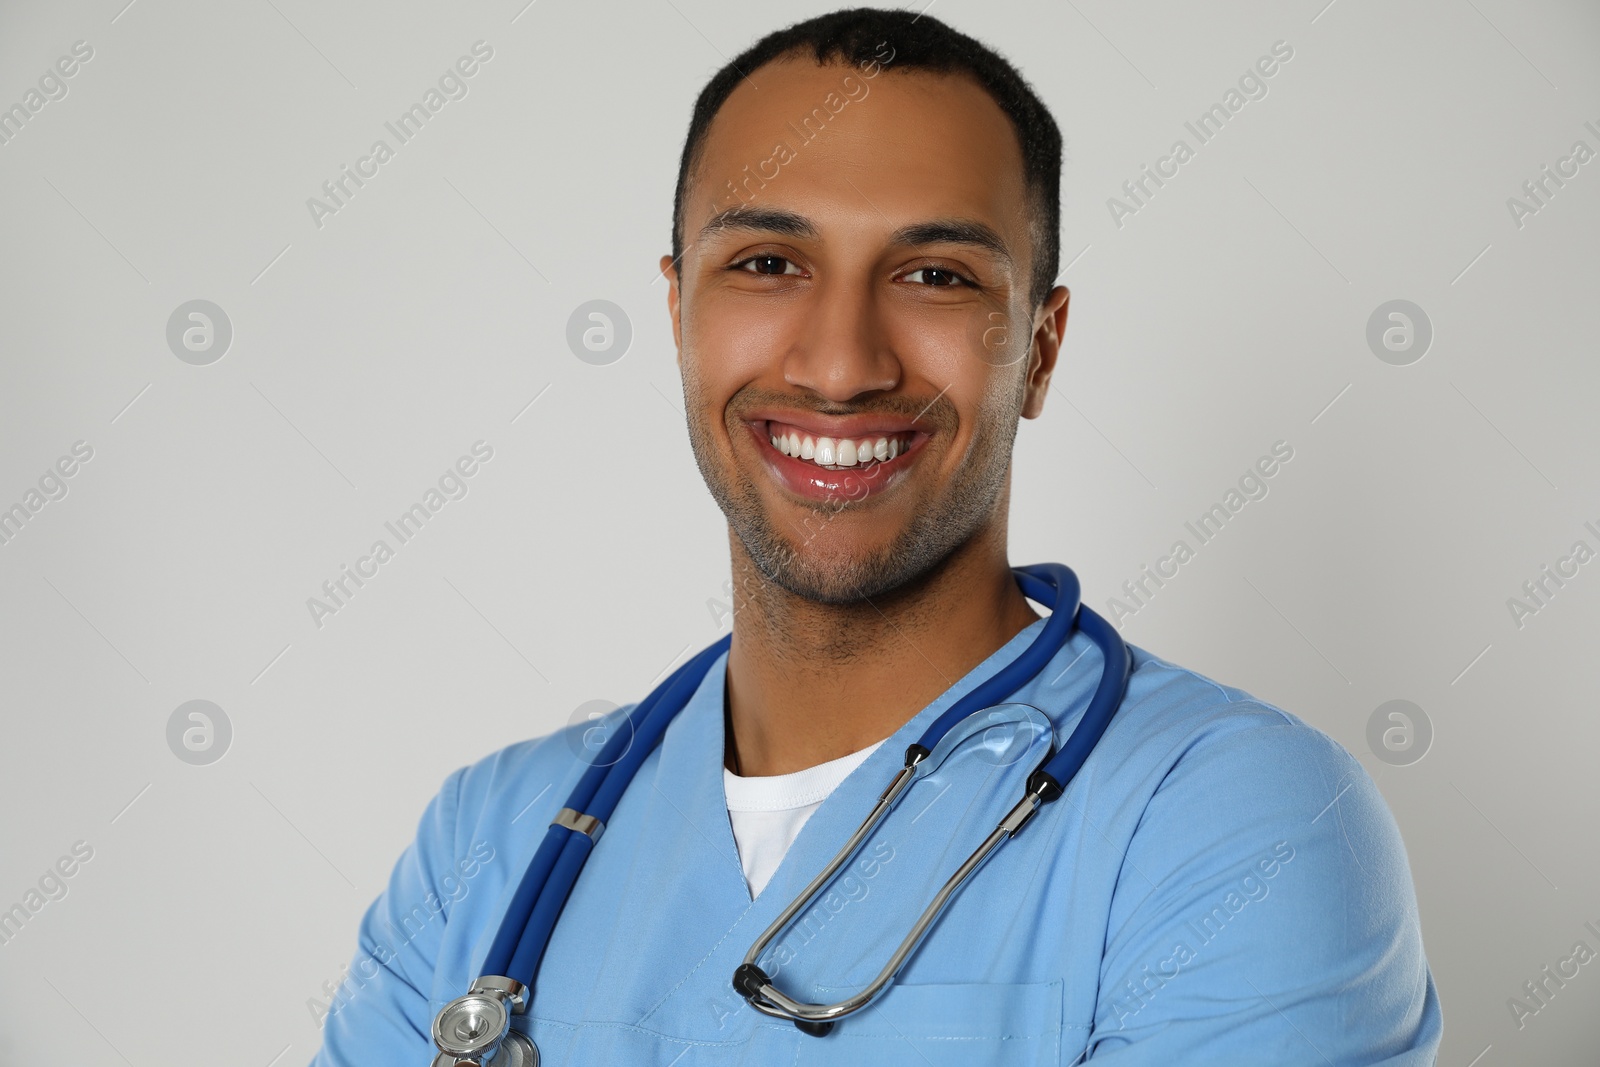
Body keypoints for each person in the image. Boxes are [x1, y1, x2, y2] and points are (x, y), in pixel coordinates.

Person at [310, 8, 1442, 1064]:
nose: (839, 362)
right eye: (767, 263)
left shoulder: (1234, 826)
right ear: (677, 311)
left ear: (1039, 349)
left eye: (934, 275)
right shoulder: (493, 842)